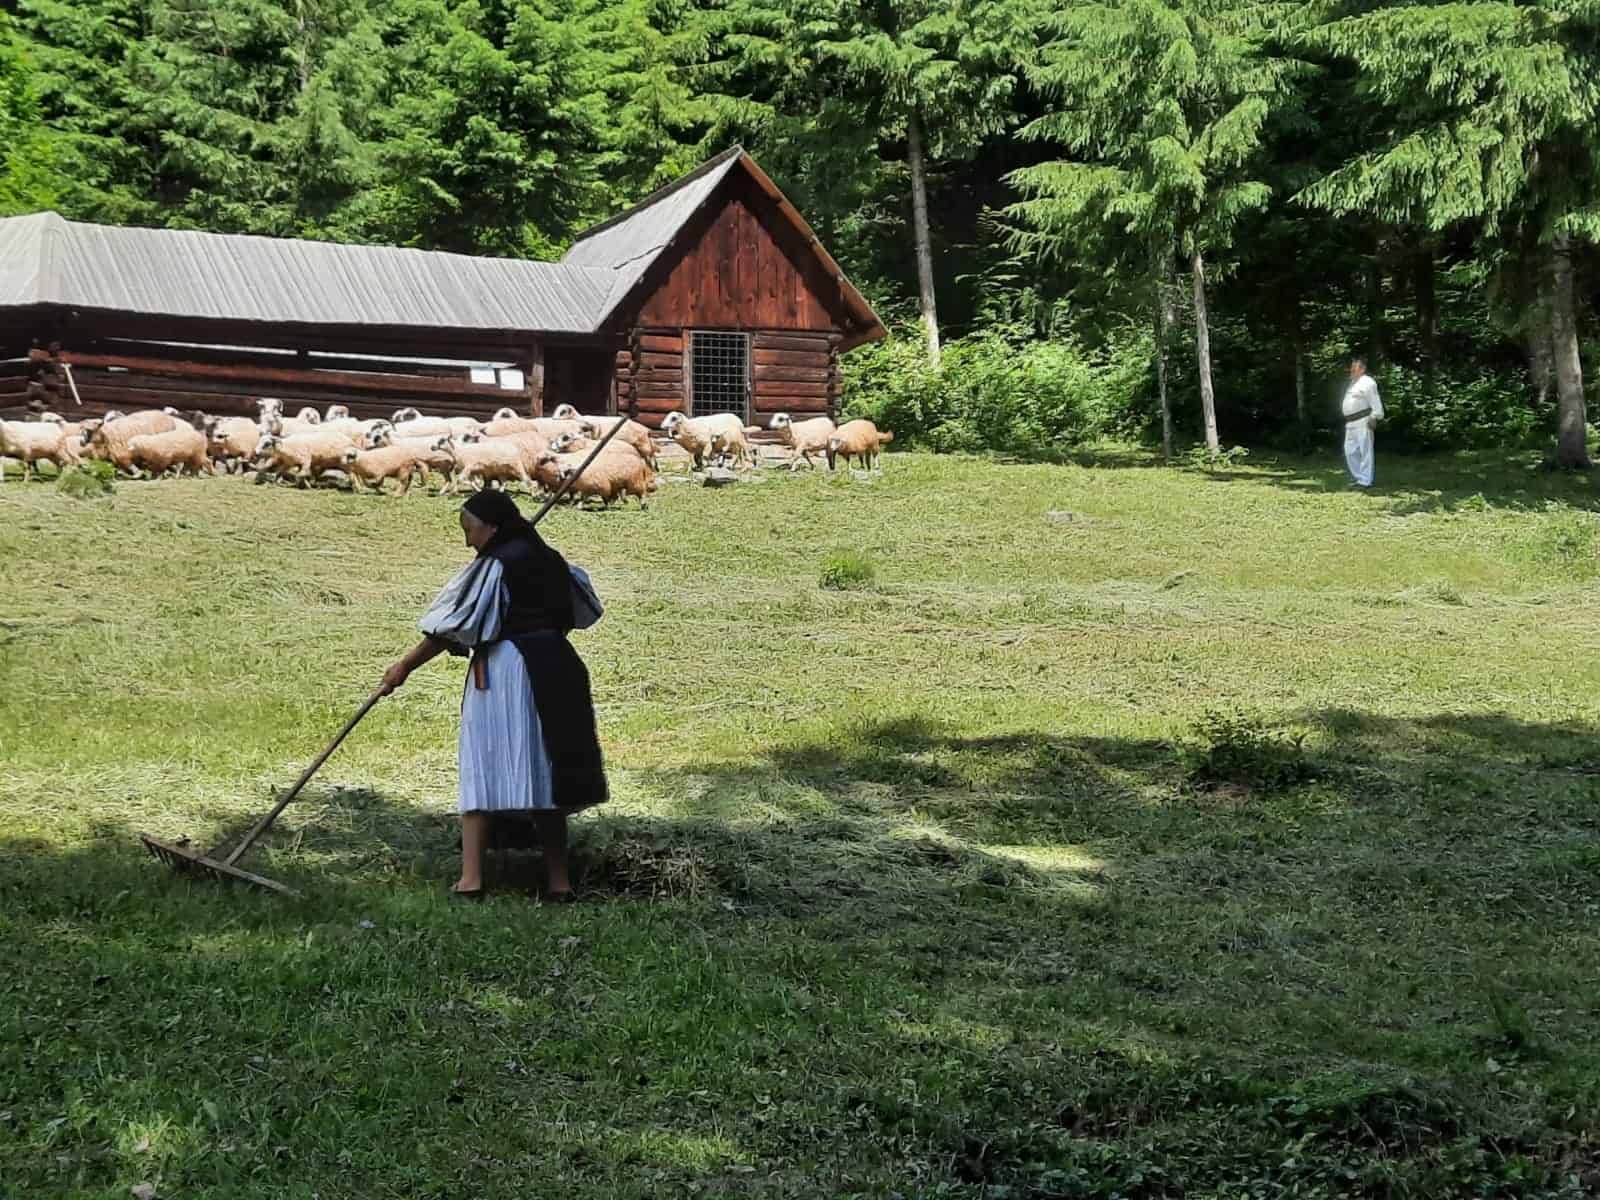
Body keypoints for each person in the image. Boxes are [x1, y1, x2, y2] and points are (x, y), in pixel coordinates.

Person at [380, 489, 607, 899]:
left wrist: (403, 668)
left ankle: (471, 879)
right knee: (546, 767)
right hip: (558, 665)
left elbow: (451, 626)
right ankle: (559, 882)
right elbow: (580, 610)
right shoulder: (551, 560)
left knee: (482, 759)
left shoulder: (494, 566)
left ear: (493, 527)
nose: (468, 540)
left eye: (470, 530)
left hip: (509, 672)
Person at [1341, 357, 1384, 488]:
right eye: (1352, 367)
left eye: (1355, 367)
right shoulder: (1353, 383)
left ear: (1362, 369)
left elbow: (1375, 401)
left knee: (1365, 451)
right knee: (1349, 451)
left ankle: (1366, 481)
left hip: (1363, 420)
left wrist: (1374, 417)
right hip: (1351, 422)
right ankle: (1359, 477)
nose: (1352, 370)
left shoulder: (1368, 382)